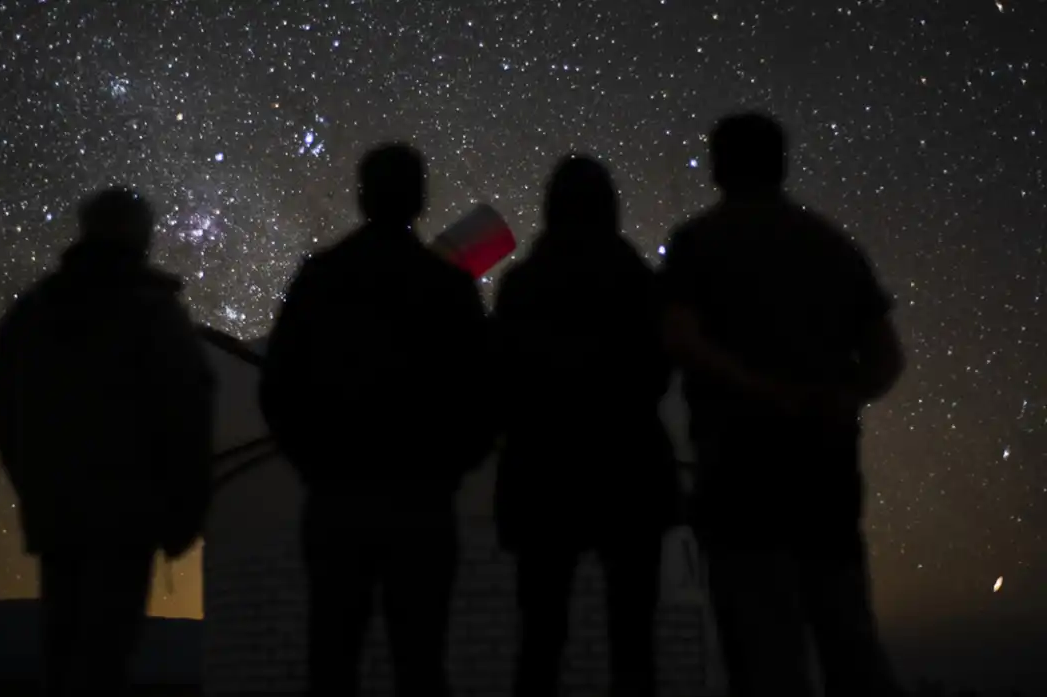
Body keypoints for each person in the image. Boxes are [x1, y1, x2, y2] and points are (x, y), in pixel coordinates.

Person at [659, 113, 906, 697]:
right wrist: (840, 396)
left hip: (739, 463)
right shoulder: (831, 245)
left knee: (762, 640)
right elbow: (887, 357)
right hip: (825, 462)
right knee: (845, 628)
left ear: (719, 166)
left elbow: (679, 338)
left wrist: (755, 389)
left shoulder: (699, 242)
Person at [259, 143, 497, 697]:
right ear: (421, 198)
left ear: (361, 196)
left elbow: (280, 387)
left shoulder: (322, 277)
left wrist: (315, 467)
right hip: (422, 502)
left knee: (333, 658)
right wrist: (449, 469)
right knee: (420, 660)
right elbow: (484, 390)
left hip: (338, 499)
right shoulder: (449, 287)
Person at [0, 187, 214, 697]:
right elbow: (188, 412)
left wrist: (33, 484)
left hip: (58, 516)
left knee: (63, 653)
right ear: (141, 236)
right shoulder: (154, 314)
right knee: (107, 656)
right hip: (128, 519)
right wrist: (184, 513)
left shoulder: (33, 314)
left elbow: (2, 407)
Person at [492, 155, 676, 697]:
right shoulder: (642, 283)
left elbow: (500, 377)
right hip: (631, 472)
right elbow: (657, 372)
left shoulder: (522, 285)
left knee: (541, 641)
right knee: (634, 643)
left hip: (542, 475)